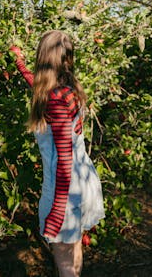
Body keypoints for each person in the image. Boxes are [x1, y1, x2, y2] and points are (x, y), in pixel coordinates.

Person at [11, 30, 105, 277]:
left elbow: (63, 160)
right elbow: (37, 84)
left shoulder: (55, 99)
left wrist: (56, 209)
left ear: (43, 58)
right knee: (74, 249)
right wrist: (18, 63)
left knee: (63, 262)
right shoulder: (67, 88)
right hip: (81, 179)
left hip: (64, 187)